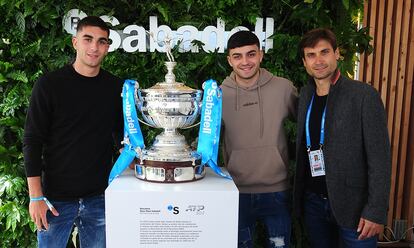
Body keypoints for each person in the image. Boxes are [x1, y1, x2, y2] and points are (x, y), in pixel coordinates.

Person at [23, 16, 123, 247]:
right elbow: (32, 141)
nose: (94, 47)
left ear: (108, 47)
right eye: (88, 39)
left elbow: (119, 135)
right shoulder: (49, 85)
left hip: (99, 197)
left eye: (101, 41)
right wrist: (35, 196)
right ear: (75, 42)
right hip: (54, 200)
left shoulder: (115, 87)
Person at [293, 28, 391, 247]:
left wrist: (375, 211)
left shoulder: (364, 96)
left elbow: (380, 159)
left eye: (324, 52)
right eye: (311, 55)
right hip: (314, 204)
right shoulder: (305, 95)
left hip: (355, 209)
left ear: (337, 54)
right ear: (305, 62)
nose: (318, 61)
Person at [221, 30, 298, 248]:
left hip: (277, 191)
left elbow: (308, 123)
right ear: (229, 60)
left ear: (261, 55)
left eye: (251, 54)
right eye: (237, 56)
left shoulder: (284, 88)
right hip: (236, 191)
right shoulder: (218, 94)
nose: (245, 62)